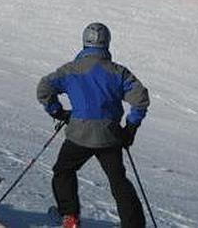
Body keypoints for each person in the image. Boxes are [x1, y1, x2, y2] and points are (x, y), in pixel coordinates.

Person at [37, 23, 150, 228]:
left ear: (84, 42)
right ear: (106, 43)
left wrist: (58, 111)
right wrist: (130, 129)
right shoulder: (118, 72)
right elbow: (140, 98)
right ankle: (133, 225)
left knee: (63, 171)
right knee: (118, 182)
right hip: (109, 136)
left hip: (78, 134)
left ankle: (70, 216)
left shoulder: (70, 70)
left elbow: (44, 88)